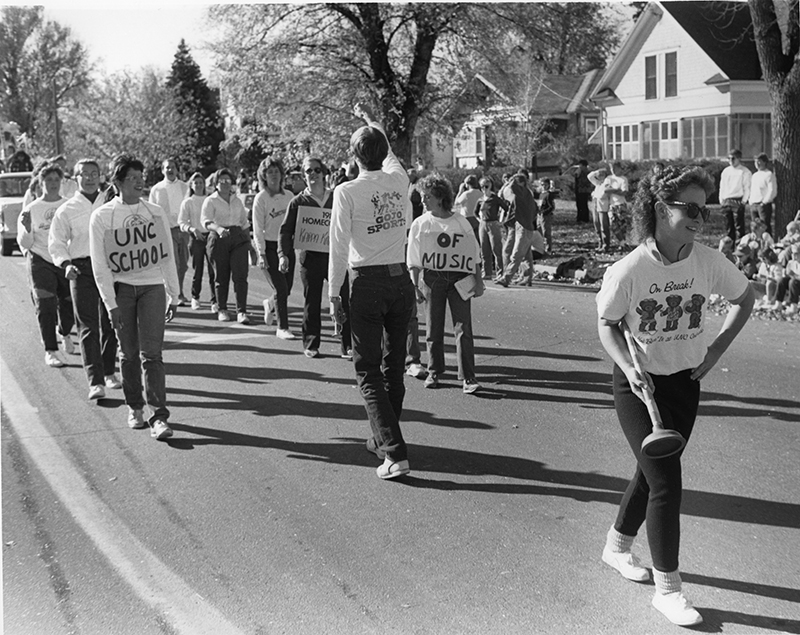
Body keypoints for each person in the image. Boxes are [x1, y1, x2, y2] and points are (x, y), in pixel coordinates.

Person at [596, 165, 754, 627]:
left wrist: (718, 347)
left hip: (685, 384)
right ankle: (669, 591)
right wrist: (628, 367)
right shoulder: (629, 269)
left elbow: (745, 298)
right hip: (637, 386)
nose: (699, 217)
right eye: (689, 208)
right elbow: (607, 323)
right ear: (660, 209)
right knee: (666, 482)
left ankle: (615, 547)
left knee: (651, 476)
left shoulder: (707, 262)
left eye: (703, 208)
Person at [329, 102, 415, 480]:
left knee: (367, 370)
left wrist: (334, 294)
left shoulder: (347, 191)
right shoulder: (399, 181)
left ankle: (394, 452)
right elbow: (392, 154)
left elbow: (337, 244)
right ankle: (383, 437)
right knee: (392, 366)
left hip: (367, 281)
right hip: (400, 281)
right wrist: (369, 120)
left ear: (353, 157)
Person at [89, 154, 180, 440]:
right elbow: (99, 265)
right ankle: (135, 407)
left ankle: (159, 416)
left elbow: (167, 255)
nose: (140, 183)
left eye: (142, 179)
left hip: (153, 288)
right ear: (118, 183)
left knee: (152, 354)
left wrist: (174, 294)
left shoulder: (154, 212)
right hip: (122, 290)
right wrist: (110, 304)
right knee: (128, 354)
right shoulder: (102, 216)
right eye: (133, 179)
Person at [49, 158, 121, 400]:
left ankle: (110, 371)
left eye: (94, 173)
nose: (90, 178)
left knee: (111, 320)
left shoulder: (111, 204)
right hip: (80, 269)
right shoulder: (66, 210)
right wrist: (66, 264)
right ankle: (96, 381)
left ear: (101, 176)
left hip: (111, 267)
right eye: (84, 174)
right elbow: (57, 243)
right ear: (75, 177)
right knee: (87, 325)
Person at [408, 174, 483, 394]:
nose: (423, 201)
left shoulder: (460, 221)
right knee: (433, 327)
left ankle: (468, 377)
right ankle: (434, 371)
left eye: (427, 196)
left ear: (441, 197)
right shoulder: (420, 224)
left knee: (463, 328)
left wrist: (478, 281)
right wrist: (415, 286)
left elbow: (474, 253)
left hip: (460, 278)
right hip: (432, 279)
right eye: (422, 196)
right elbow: (413, 258)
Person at [279, 157, 351, 358]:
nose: (313, 174)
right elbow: (285, 231)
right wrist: (283, 255)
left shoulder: (336, 198)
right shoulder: (298, 202)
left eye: (317, 170)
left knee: (344, 299)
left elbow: (348, 225)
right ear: (304, 175)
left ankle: (348, 345)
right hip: (310, 259)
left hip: (336, 258)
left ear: (324, 172)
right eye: (309, 171)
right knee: (312, 302)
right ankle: (311, 343)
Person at [17, 163, 75, 369]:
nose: (52, 184)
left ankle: (65, 332)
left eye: (56, 180)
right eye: (48, 180)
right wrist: (26, 228)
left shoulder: (69, 205)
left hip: (65, 260)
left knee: (68, 305)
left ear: (61, 182)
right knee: (46, 305)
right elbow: (24, 243)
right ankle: (51, 350)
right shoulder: (31, 209)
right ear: (41, 183)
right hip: (41, 260)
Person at [252, 158, 296, 340]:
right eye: (269, 172)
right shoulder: (260, 199)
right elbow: (257, 228)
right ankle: (282, 327)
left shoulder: (289, 196)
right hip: (269, 247)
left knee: (288, 288)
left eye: (276, 171)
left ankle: (270, 304)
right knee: (280, 287)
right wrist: (261, 253)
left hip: (287, 247)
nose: (274, 175)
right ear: (263, 175)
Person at [201, 168, 251, 323]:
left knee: (240, 275)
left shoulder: (237, 200)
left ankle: (241, 311)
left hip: (238, 238)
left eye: (227, 180)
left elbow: (244, 223)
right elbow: (206, 221)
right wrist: (218, 228)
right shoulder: (211, 200)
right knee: (221, 276)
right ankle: (222, 308)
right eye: (221, 180)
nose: (225, 183)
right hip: (218, 237)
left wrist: (251, 245)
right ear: (216, 183)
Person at [149, 158, 190, 305]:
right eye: (167, 168)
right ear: (162, 170)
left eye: (173, 167)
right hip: (166, 231)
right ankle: (174, 295)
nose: (170, 170)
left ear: (177, 170)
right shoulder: (156, 189)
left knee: (183, 264)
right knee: (173, 263)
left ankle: (179, 291)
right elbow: (152, 213)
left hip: (184, 230)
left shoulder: (185, 188)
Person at [177, 172, 217, 312]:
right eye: (196, 183)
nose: (199, 185)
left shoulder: (210, 199)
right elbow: (181, 222)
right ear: (192, 185)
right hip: (196, 238)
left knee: (214, 270)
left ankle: (215, 300)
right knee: (198, 269)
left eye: (201, 182)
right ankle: (195, 297)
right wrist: (192, 229)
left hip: (211, 236)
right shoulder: (188, 202)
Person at [496, 173, 539, 287]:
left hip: (523, 227)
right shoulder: (526, 194)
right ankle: (526, 277)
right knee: (526, 255)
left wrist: (511, 182)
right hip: (522, 225)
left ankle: (506, 278)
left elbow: (507, 192)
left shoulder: (521, 193)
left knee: (516, 254)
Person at [405, 168, 426, 379]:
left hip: (404, 254)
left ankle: (413, 360)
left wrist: (415, 281)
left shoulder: (408, 197)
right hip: (377, 262)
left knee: (410, 312)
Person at [474, 176, 508, 279]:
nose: (484, 188)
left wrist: (501, 221)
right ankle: (487, 273)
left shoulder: (495, 199)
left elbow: (506, 208)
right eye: (482, 186)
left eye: (487, 186)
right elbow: (475, 212)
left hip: (493, 224)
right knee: (484, 250)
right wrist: (480, 220)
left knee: (496, 249)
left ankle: (500, 272)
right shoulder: (480, 200)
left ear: (491, 186)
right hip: (483, 224)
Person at [719, 149, 752, 242]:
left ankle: (739, 249)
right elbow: (722, 186)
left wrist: (744, 201)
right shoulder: (726, 171)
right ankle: (729, 250)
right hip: (726, 200)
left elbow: (747, 187)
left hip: (738, 200)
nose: (731, 161)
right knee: (728, 227)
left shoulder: (745, 171)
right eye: (729, 158)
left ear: (739, 158)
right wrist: (721, 200)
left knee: (739, 228)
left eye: (733, 158)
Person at [747, 152, 777, 237]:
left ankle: (767, 245)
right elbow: (752, 189)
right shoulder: (755, 175)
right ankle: (757, 245)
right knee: (755, 227)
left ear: (765, 162)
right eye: (755, 161)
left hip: (763, 205)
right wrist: (750, 201)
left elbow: (772, 190)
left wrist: (764, 202)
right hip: (753, 204)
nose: (757, 163)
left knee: (764, 227)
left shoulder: (769, 174)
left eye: (759, 161)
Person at [603, 162, 629, 248]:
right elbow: (606, 190)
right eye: (611, 168)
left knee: (622, 225)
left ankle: (623, 243)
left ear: (619, 168)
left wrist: (612, 190)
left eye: (615, 168)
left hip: (621, 204)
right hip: (612, 205)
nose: (613, 170)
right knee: (613, 224)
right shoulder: (609, 178)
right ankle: (622, 241)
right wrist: (616, 189)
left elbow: (624, 192)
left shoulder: (623, 179)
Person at [772, 243, 800, 313]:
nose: (793, 256)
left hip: (796, 283)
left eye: (796, 254)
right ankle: (778, 302)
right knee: (782, 280)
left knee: (793, 281)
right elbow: (787, 275)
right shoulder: (791, 263)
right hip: (794, 284)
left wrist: (795, 276)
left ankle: (794, 305)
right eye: (793, 253)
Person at [588, 166, 610, 251]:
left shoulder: (606, 183)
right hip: (595, 205)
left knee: (604, 226)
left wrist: (594, 194)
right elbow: (589, 176)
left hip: (602, 207)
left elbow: (603, 195)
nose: (600, 176)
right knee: (596, 224)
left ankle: (606, 244)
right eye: (599, 175)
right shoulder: (597, 183)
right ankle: (600, 242)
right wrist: (597, 171)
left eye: (602, 174)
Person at [454, 174, 482, 240]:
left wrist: (460, 191)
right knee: (477, 239)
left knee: (467, 238)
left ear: (467, 184)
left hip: (467, 218)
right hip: (477, 218)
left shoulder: (466, 194)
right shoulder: (480, 193)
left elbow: (456, 203)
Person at [537, 178, 556, 253]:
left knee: (546, 233)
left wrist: (544, 212)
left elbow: (551, 207)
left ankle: (548, 249)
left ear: (548, 185)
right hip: (539, 215)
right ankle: (541, 247)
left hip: (546, 216)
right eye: (542, 185)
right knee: (539, 232)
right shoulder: (541, 194)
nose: (543, 186)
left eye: (545, 185)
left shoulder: (549, 195)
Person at [571, 159, 593, 223]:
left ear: (584, 166)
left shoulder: (587, 172)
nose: (580, 167)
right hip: (578, 190)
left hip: (584, 191)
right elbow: (574, 176)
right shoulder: (579, 172)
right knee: (579, 204)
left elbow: (585, 181)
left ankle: (585, 218)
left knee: (584, 205)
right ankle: (579, 217)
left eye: (581, 166)